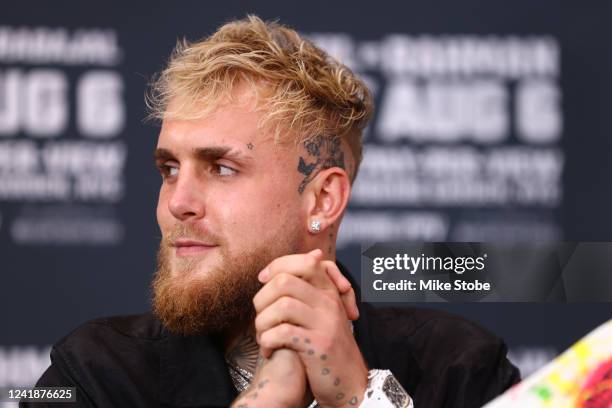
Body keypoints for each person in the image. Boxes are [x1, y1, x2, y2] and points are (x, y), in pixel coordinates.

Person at [28, 16, 519, 408]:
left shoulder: (463, 368)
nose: (177, 202)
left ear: (323, 199)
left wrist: (360, 398)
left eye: (221, 168)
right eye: (170, 168)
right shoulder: (87, 373)